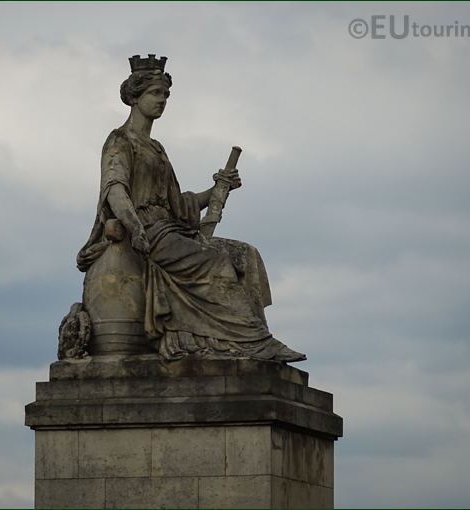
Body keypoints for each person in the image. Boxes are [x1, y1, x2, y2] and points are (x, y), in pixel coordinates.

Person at [77, 55, 305, 363]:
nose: (163, 101)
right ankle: (253, 342)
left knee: (246, 256)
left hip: (171, 229)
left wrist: (217, 190)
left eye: (166, 95)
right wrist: (135, 229)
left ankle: (254, 339)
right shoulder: (119, 140)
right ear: (135, 96)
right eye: (156, 93)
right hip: (148, 234)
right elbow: (115, 191)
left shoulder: (157, 149)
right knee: (217, 262)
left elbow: (179, 206)